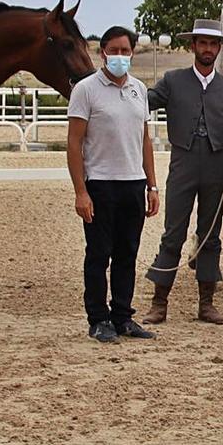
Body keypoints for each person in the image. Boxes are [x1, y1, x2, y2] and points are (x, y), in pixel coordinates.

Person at [142, 19, 223, 326]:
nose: (207, 49)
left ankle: (207, 303)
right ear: (193, 46)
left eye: (213, 44)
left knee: (211, 235)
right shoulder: (173, 80)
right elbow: (144, 102)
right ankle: (159, 303)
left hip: (217, 165)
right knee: (172, 234)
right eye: (202, 43)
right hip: (182, 164)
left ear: (219, 49)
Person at [67, 26, 160, 343]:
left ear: (133, 52)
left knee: (127, 254)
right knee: (98, 254)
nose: (120, 56)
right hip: (101, 184)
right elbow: (74, 142)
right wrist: (81, 191)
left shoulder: (138, 90)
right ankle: (98, 318)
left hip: (133, 184)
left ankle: (122, 316)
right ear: (102, 51)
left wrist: (152, 185)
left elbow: (144, 139)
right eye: (114, 50)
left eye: (126, 50)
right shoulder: (86, 90)